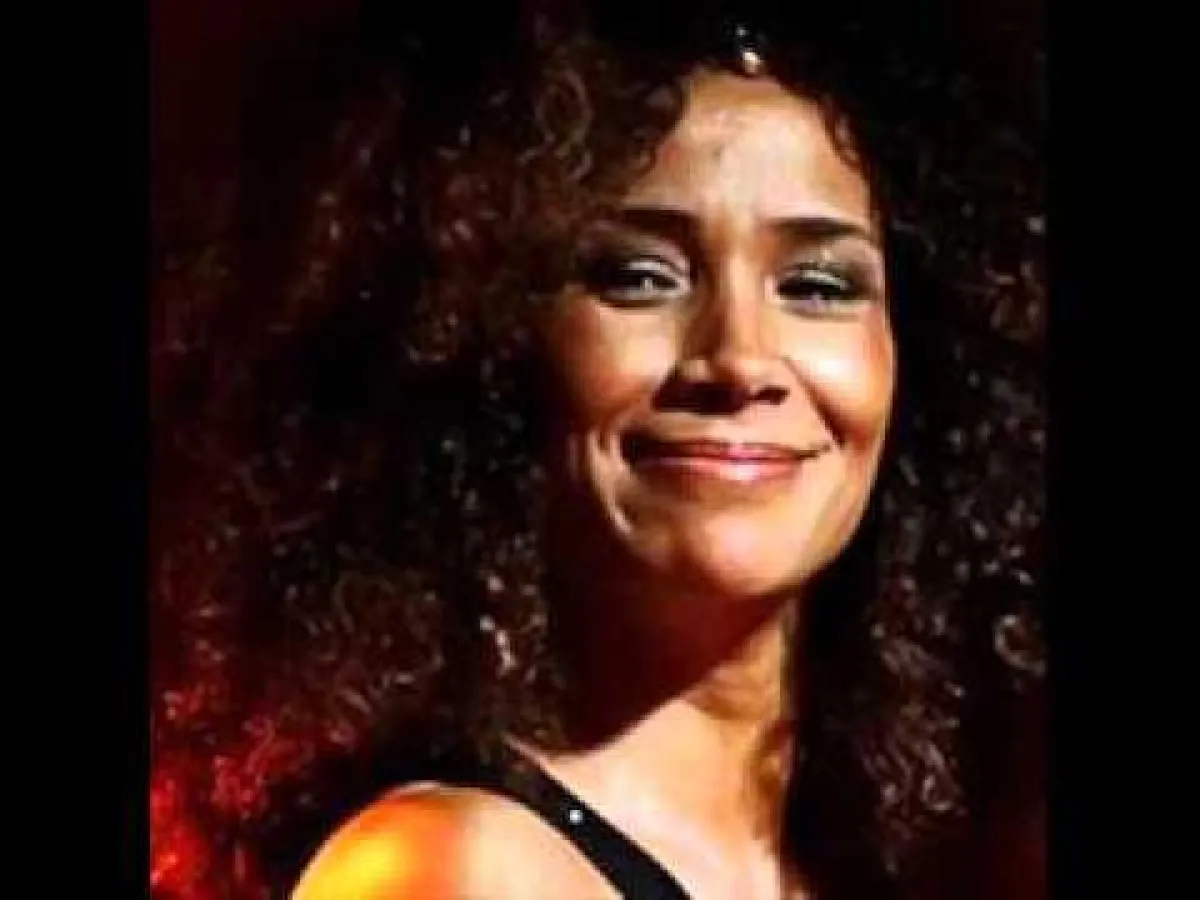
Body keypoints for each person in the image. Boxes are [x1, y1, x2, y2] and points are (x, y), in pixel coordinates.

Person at [151, 1, 1046, 898]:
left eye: (817, 285)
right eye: (639, 277)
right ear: (487, 344)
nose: (740, 357)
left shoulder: (852, 868)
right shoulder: (458, 869)